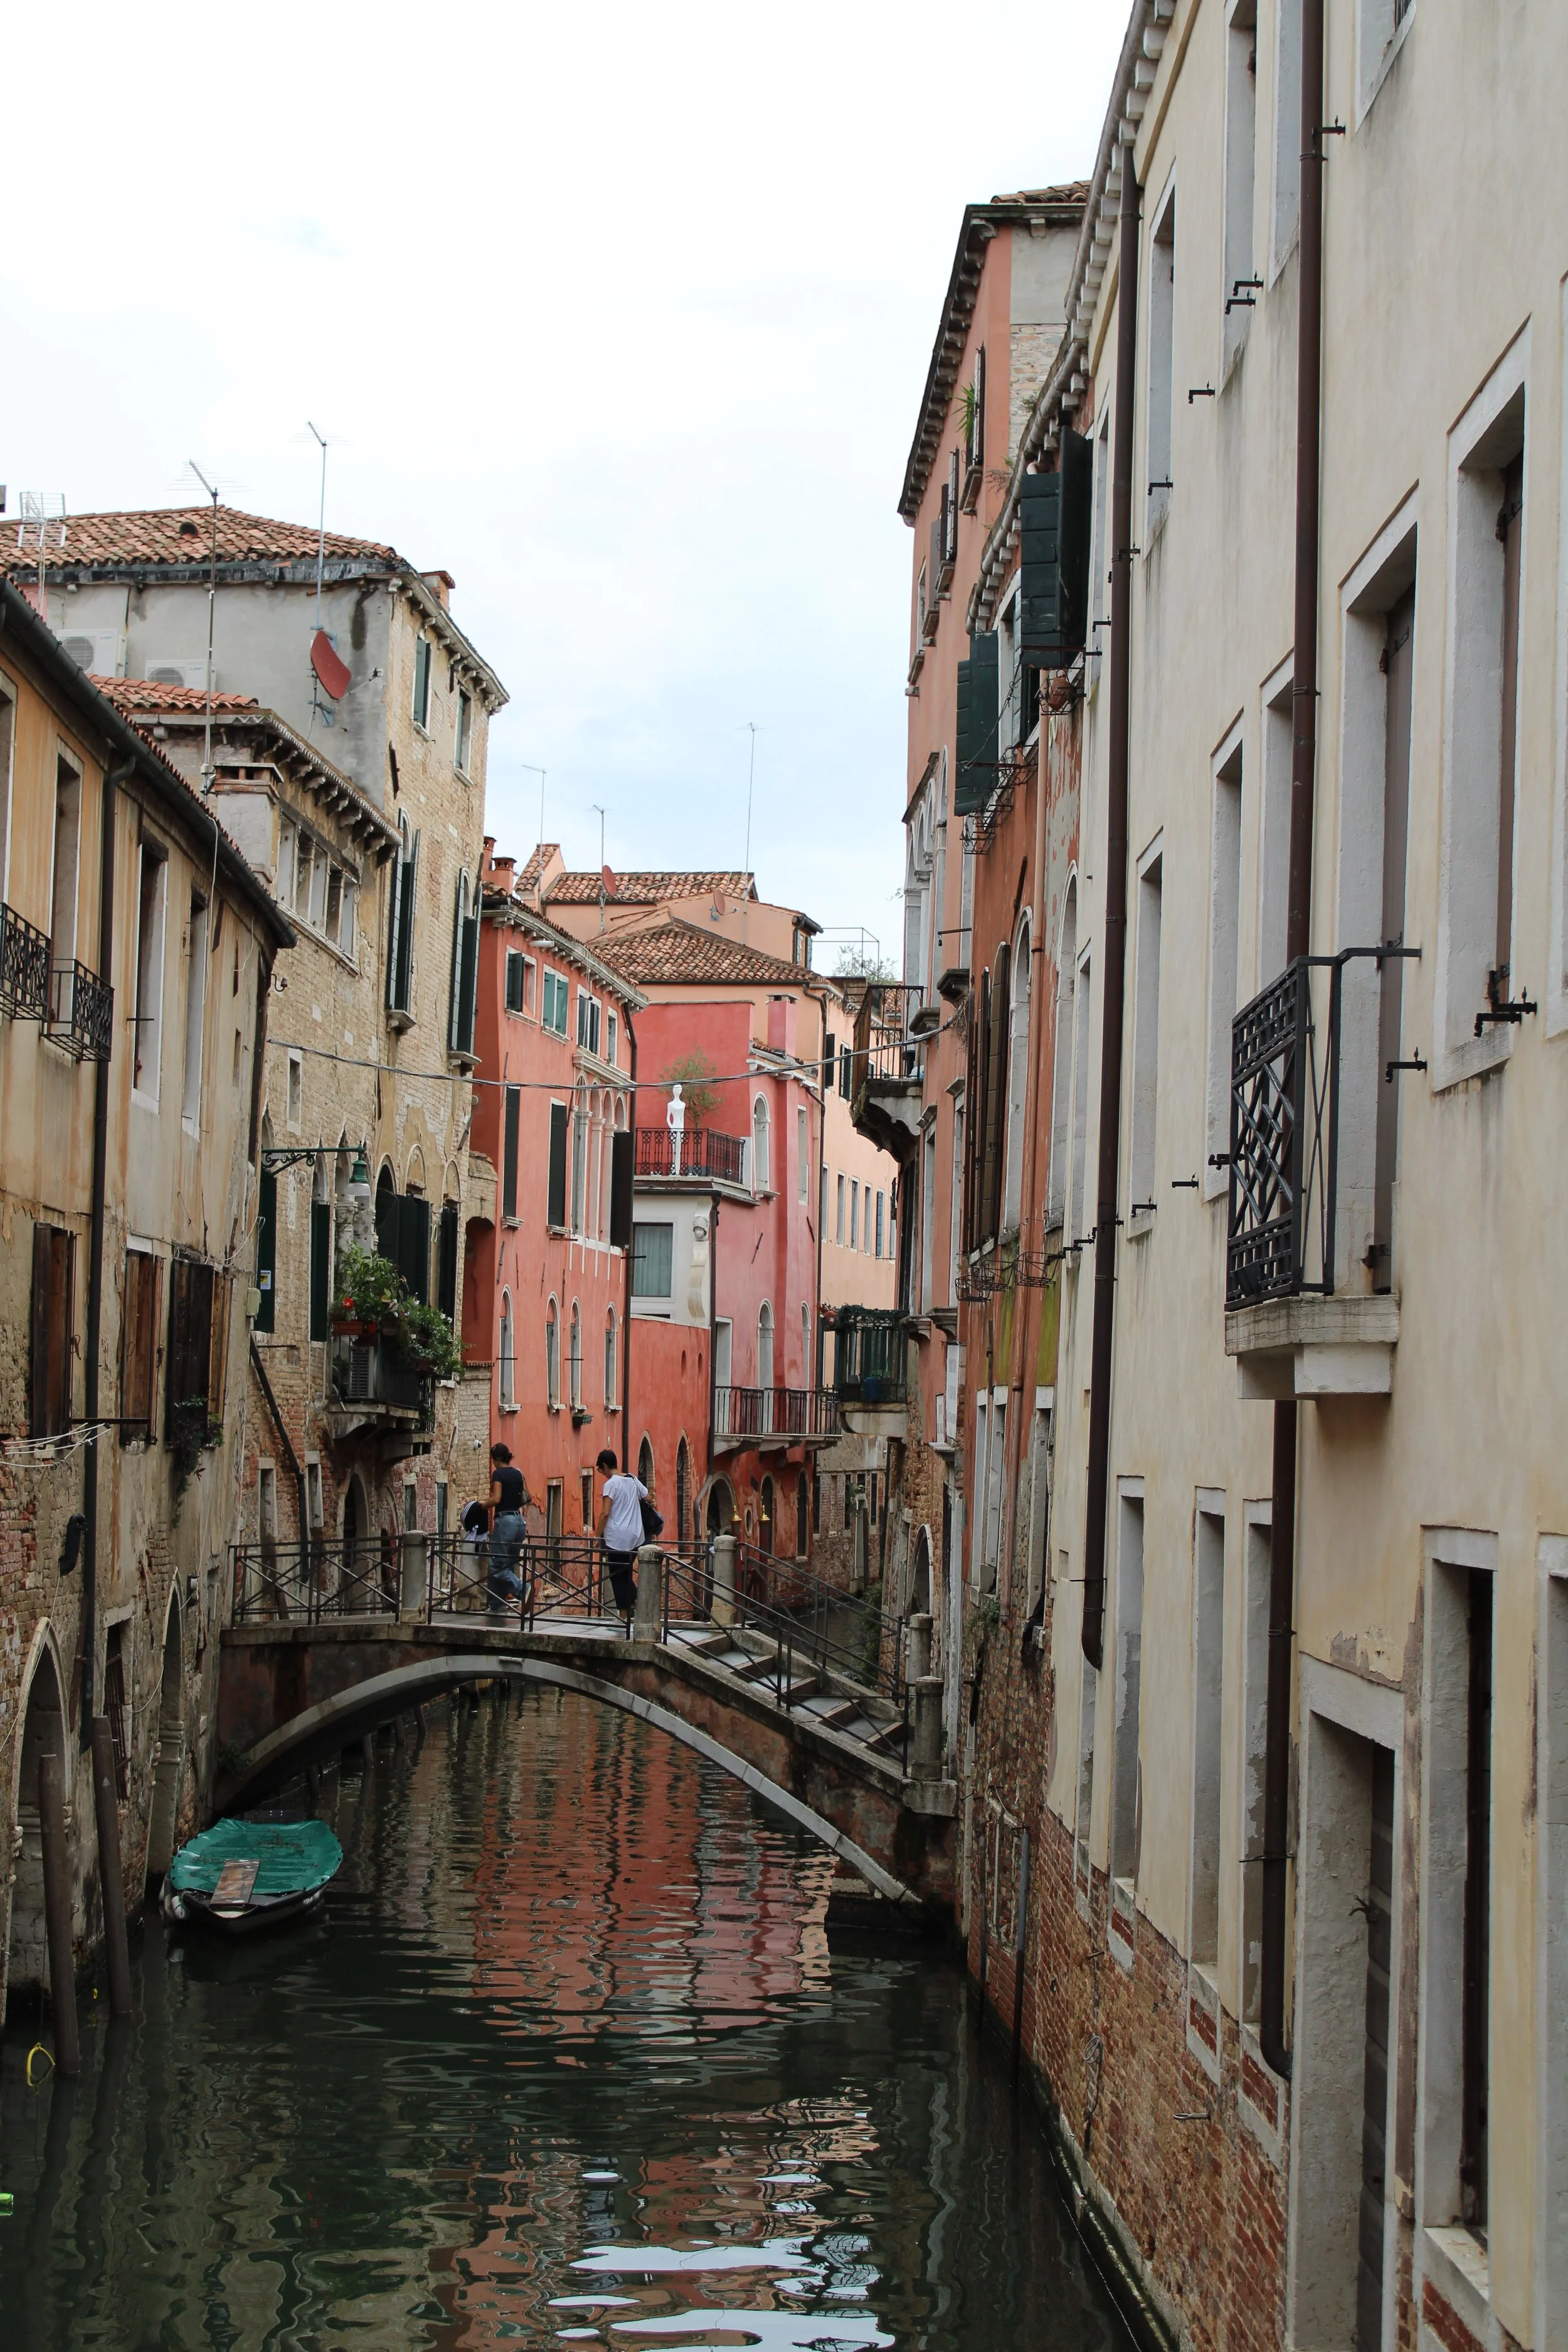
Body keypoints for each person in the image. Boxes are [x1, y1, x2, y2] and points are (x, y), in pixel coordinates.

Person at [595, 1448, 648, 1630]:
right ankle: (638, 1603)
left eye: (601, 1471)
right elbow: (649, 1497)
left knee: (617, 1577)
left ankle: (623, 1617)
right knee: (625, 1574)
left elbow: (605, 1512)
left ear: (605, 1466)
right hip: (636, 1536)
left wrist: (596, 1535)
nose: (602, 1474)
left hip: (617, 1538)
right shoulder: (632, 1479)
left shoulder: (611, 1484)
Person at [487, 1444, 530, 1618]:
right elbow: (526, 1497)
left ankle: (523, 1590)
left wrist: (482, 1506)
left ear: (495, 1459)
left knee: (497, 1565)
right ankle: (497, 1606)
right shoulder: (518, 1473)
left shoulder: (498, 1474)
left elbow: (496, 1499)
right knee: (507, 1565)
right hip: (520, 1521)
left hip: (505, 1521)